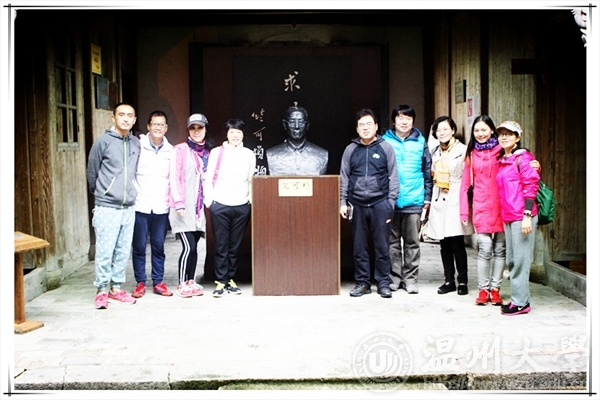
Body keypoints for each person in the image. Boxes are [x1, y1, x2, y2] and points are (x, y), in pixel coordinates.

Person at [459, 115, 540, 306]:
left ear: (491, 131)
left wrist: (536, 165)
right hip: (481, 205)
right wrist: (464, 211)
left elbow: (523, 167)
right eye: (476, 130)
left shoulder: (502, 151)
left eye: (484, 130)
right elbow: (465, 184)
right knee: (485, 247)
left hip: (503, 206)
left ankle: (495, 289)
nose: (480, 134)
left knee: (500, 249)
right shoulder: (471, 154)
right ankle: (483, 289)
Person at [340, 109, 399, 299]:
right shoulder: (350, 149)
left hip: (380, 203)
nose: (365, 128)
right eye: (361, 125)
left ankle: (383, 283)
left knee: (382, 246)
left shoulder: (386, 148)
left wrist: (390, 202)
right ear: (357, 129)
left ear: (376, 126)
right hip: (356, 204)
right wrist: (343, 201)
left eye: (368, 124)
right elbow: (344, 177)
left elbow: (393, 176)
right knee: (359, 247)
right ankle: (363, 282)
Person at [87, 102, 140, 309]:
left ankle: (116, 289)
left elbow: (134, 172)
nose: (126, 119)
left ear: (134, 120)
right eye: (121, 115)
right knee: (105, 250)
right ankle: (101, 290)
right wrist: (104, 193)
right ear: (113, 118)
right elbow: (92, 173)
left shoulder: (135, 143)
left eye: (130, 115)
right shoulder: (103, 142)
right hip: (107, 206)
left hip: (128, 207)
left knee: (122, 250)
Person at [382, 104, 433, 294]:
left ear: (413, 121)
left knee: (412, 242)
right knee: (392, 243)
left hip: (414, 199)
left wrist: (427, 197)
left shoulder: (420, 141)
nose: (404, 122)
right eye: (400, 118)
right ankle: (394, 278)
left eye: (408, 118)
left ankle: (411, 279)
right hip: (391, 201)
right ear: (393, 121)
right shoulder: (385, 141)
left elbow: (427, 171)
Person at [204, 118, 256, 297]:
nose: (235, 135)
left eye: (238, 132)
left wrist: (249, 201)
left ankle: (231, 280)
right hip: (220, 204)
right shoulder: (217, 152)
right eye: (232, 131)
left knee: (234, 246)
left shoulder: (249, 154)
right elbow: (208, 177)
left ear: (243, 134)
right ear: (226, 133)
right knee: (221, 245)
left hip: (241, 205)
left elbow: (251, 179)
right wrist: (210, 202)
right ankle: (220, 281)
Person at [425, 116, 474, 296]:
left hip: (456, 196)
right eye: (438, 130)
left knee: (457, 242)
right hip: (439, 197)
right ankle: (449, 281)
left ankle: (462, 281)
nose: (442, 133)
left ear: (453, 130)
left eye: (445, 129)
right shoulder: (434, 151)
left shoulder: (463, 150)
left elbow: (470, 175)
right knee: (444, 243)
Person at [495, 121, 540, 316]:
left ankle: (520, 303)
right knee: (513, 260)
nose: (504, 137)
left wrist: (527, 215)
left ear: (518, 138)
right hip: (509, 216)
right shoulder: (503, 159)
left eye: (509, 134)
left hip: (522, 216)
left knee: (520, 261)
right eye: (501, 134)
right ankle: (521, 299)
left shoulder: (524, 158)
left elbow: (531, 186)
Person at [130, 110, 174, 298]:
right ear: (148, 126)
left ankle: (158, 281)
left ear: (166, 128)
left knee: (158, 245)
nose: (158, 128)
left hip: (161, 206)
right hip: (140, 204)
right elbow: (130, 173)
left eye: (161, 124)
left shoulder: (170, 151)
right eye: (154, 124)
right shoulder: (137, 146)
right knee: (139, 246)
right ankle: (140, 282)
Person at [169, 113, 212, 298]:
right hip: (182, 207)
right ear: (188, 130)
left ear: (205, 129)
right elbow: (174, 177)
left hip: (198, 209)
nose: (196, 131)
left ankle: (191, 281)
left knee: (195, 246)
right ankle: (181, 283)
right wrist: (179, 203)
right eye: (192, 128)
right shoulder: (180, 149)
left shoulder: (207, 153)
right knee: (189, 247)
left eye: (199, 127)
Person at [266, 106, 328, 175]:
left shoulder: (322, 154)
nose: (297, 126)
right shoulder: (271, 155)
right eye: (292, 122)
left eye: (301, 122)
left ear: (307, 125)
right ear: (284, 125)